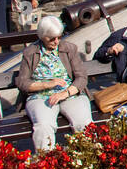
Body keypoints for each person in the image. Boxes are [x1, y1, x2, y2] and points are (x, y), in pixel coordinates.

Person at [16, 15, 92, 150]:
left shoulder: (69, 49)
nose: (56, 41)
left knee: (84, 123)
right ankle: (47, 163)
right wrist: (46, 84)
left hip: (70, 94)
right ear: (41, 36)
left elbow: (81, 77)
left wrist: (65, 93)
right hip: (41, 96)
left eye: (59, 37)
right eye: (51, 38)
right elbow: (22, 83)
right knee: (43, 126)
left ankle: (86, 160)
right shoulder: (31, 53)